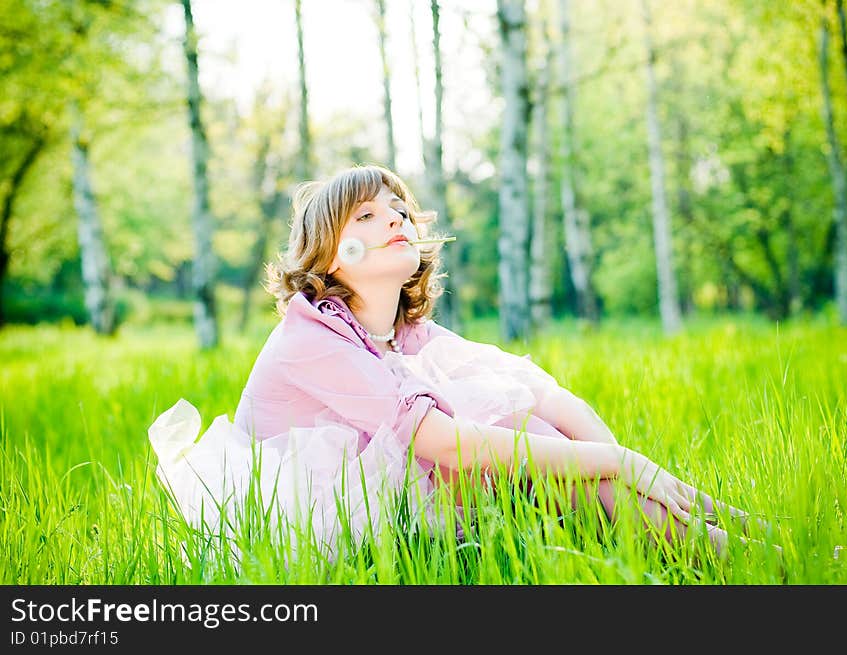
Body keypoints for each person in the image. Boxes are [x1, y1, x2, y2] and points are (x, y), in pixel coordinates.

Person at [148, 164, 770, 563]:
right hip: (310, 520)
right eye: (365, 216)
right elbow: (443, 443)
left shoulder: (402, 329)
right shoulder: (309, 336)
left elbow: (544, 392)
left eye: (397, 210)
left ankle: (739, 541)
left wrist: (629, 471)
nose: (391, 219)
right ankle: (745, 561)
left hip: (395, 484)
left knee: (535, 423)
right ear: (330, 257)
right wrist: (618, 463)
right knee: (544, 460)